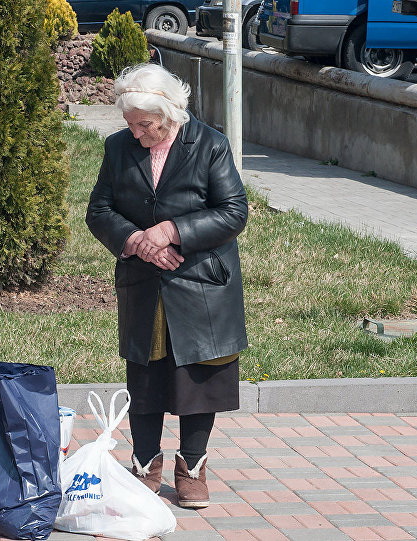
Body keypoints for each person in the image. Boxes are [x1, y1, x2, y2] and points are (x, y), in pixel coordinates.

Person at [85, 63, 248, 509]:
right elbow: (99, 210)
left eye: (145, 124)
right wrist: (138, 240)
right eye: (130, 124)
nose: (137, 133)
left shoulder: (210, 145)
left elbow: (234, 212)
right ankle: (143, 465)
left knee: (199, 378)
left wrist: (172, 230)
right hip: (143, 280)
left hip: (200, 283)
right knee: (145, 375)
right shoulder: (118, 147)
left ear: (170, 113)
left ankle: (192, 468)